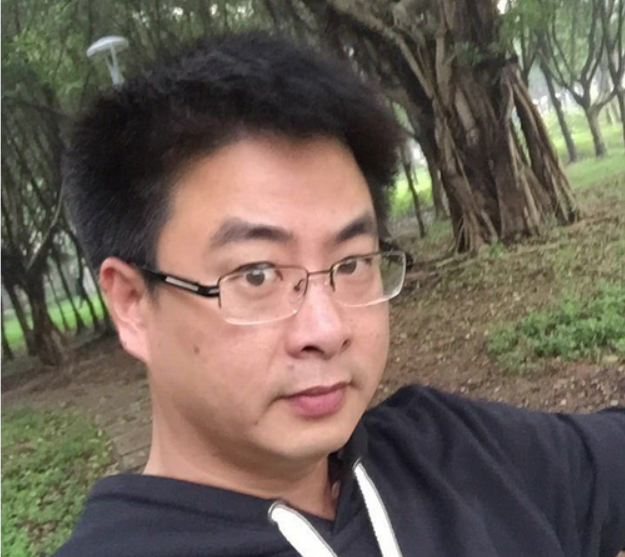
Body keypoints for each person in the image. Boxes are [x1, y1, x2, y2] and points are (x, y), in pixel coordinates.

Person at [54, 31, 624, 557]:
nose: (326, 330)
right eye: (257, 275)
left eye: (351, 264)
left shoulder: (457, 455)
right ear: (132, 304)